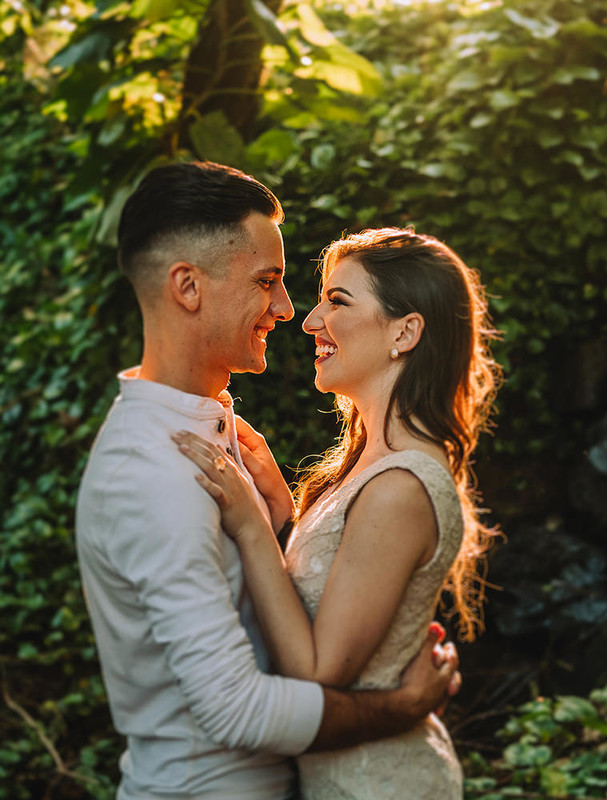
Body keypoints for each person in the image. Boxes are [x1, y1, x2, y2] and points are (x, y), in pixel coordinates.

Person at [74, 163, 461, 800]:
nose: (288, 311)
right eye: (268, 282)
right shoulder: (150, 471)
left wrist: (281, 522)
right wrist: (402, 707)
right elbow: (236, 711)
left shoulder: (215, 436)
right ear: (188, 287)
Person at [175, 227, 501, 799]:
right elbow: (317, 601)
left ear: (406, 331)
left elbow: (317, 672)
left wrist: (251, 529)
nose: (310, 321)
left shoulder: (400, 486)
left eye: (338, 301)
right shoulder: (372, 465)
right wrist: (280, 514)